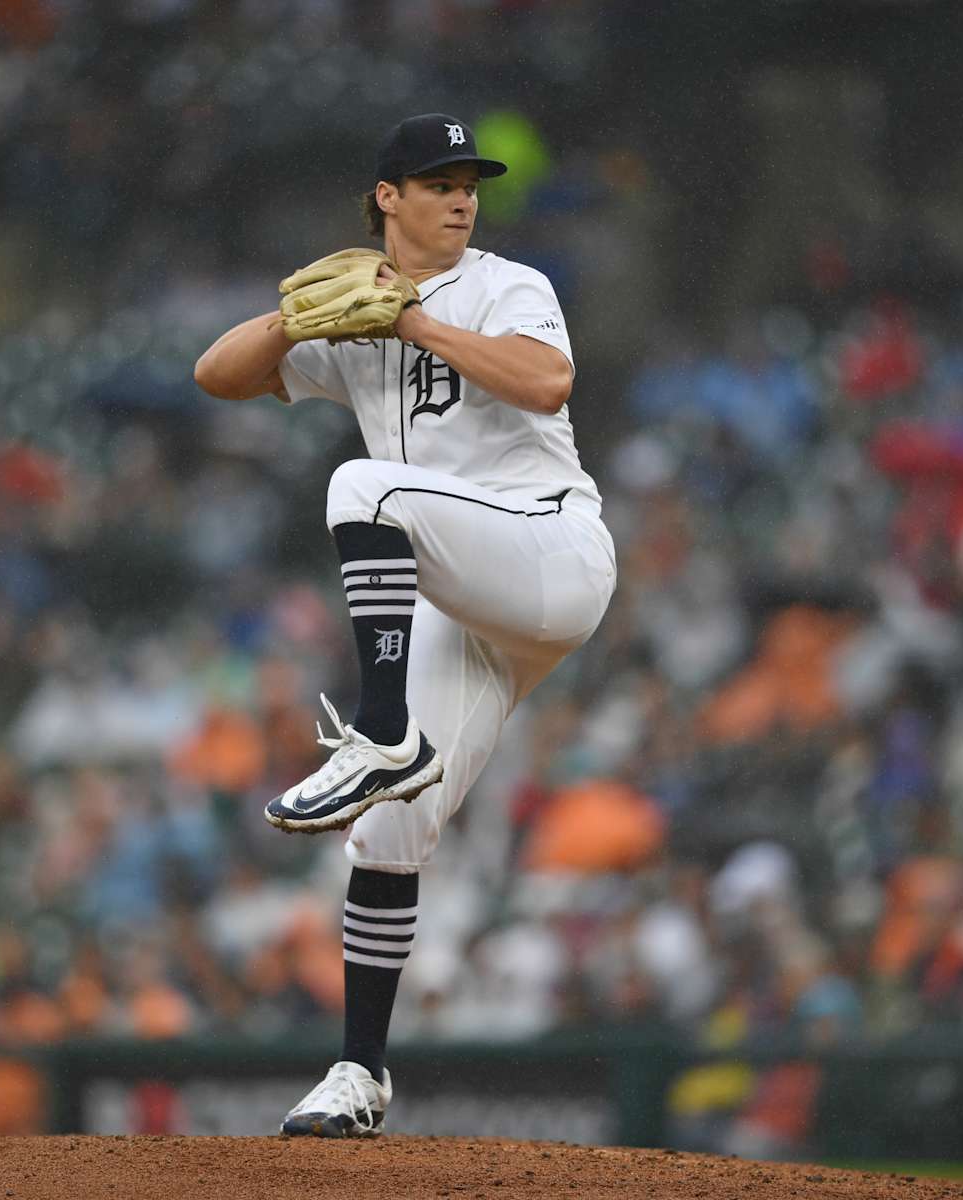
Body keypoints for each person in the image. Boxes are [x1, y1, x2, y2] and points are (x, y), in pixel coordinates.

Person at [193, 113, 616, 1136]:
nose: (461, 195)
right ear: (388, 198)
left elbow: (549, 381)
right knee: (386, 836)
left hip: (548, 553)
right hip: (457, 592)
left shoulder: (509, 285)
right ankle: (360, 1074)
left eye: (468, 181)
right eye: (436, 182)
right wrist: (298, 319)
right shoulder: (357, 310)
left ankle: (383, 732)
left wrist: (415, 324)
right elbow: (217, 374)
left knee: (364, 487)